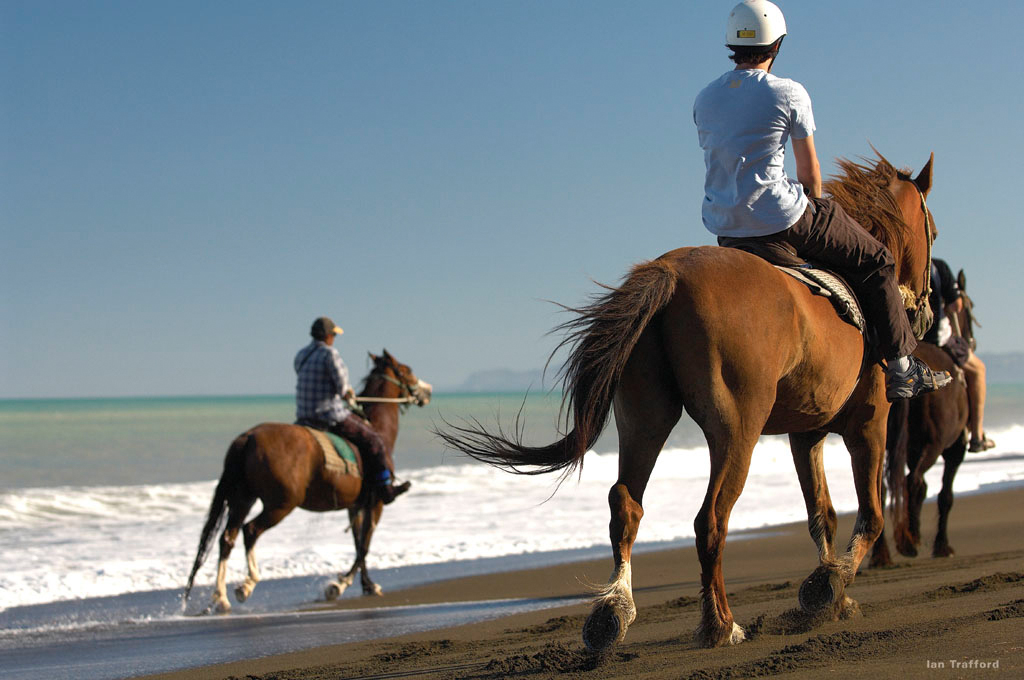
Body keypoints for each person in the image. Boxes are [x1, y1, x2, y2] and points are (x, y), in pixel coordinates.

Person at [693, 0, 951, 401]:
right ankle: (902, 366)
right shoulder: (788, 92)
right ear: (777, 45)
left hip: (724, 229)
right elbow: (810, 174)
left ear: (732, 44)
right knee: (878, 259)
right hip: (782, 218)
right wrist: (817, 208)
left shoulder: (705, 98)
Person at [294, 317, 410, 504]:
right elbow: (343, 389)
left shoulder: (301, 355)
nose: (334, 339)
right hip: (328, 415)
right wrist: (350, 393)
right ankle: (386, 489)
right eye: (333, 335)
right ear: (328, 336)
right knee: (375, 441)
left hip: (303, 416)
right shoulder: (330, 354)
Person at [924, 258, 995, 452]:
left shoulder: (896, 260)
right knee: (979, 370)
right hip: (937, 340)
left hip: (904, 341)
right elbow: (956, 306)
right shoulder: (937, 267)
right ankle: (977, 436)